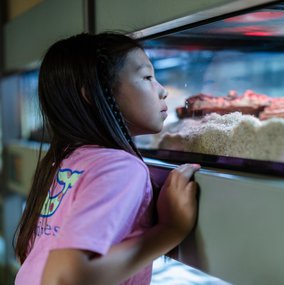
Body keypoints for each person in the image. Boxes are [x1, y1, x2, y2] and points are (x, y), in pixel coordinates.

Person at [14, 32, 200, 285]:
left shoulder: (68, 159)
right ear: (93, 94)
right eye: (147, 77)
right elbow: (65, 278)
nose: (163, 91)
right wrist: (169, 231)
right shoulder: (119, 167)